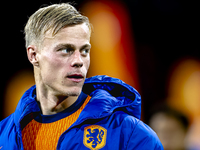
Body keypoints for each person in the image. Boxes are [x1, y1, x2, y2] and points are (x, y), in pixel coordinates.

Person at [0, 3, 163, 150]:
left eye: (84, 50)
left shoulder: (129, 135)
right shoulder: (4, 136)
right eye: (65, 50)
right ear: (34, 55)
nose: (78, 61)